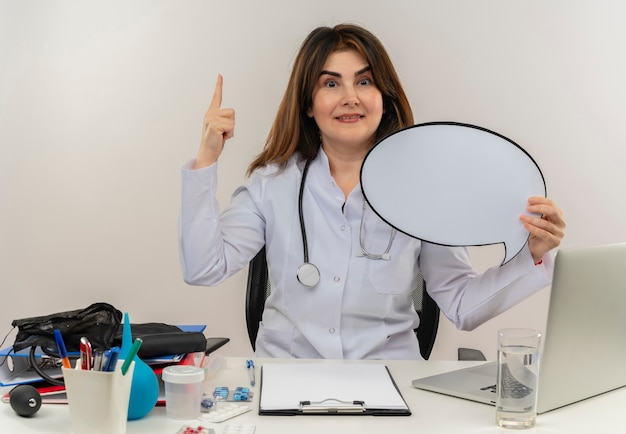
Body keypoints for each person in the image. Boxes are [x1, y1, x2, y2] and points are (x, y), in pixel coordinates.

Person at [179, 24, 566, 360]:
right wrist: (207, 159)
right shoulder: (272, 184)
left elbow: (463, 305)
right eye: (331, 84)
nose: (351, 97)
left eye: (364, 81)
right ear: (308, 105)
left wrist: (529, 258)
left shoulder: (421, 192)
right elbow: (203, 268)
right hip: (287, 376)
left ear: (385, 97)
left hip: (388, 379)